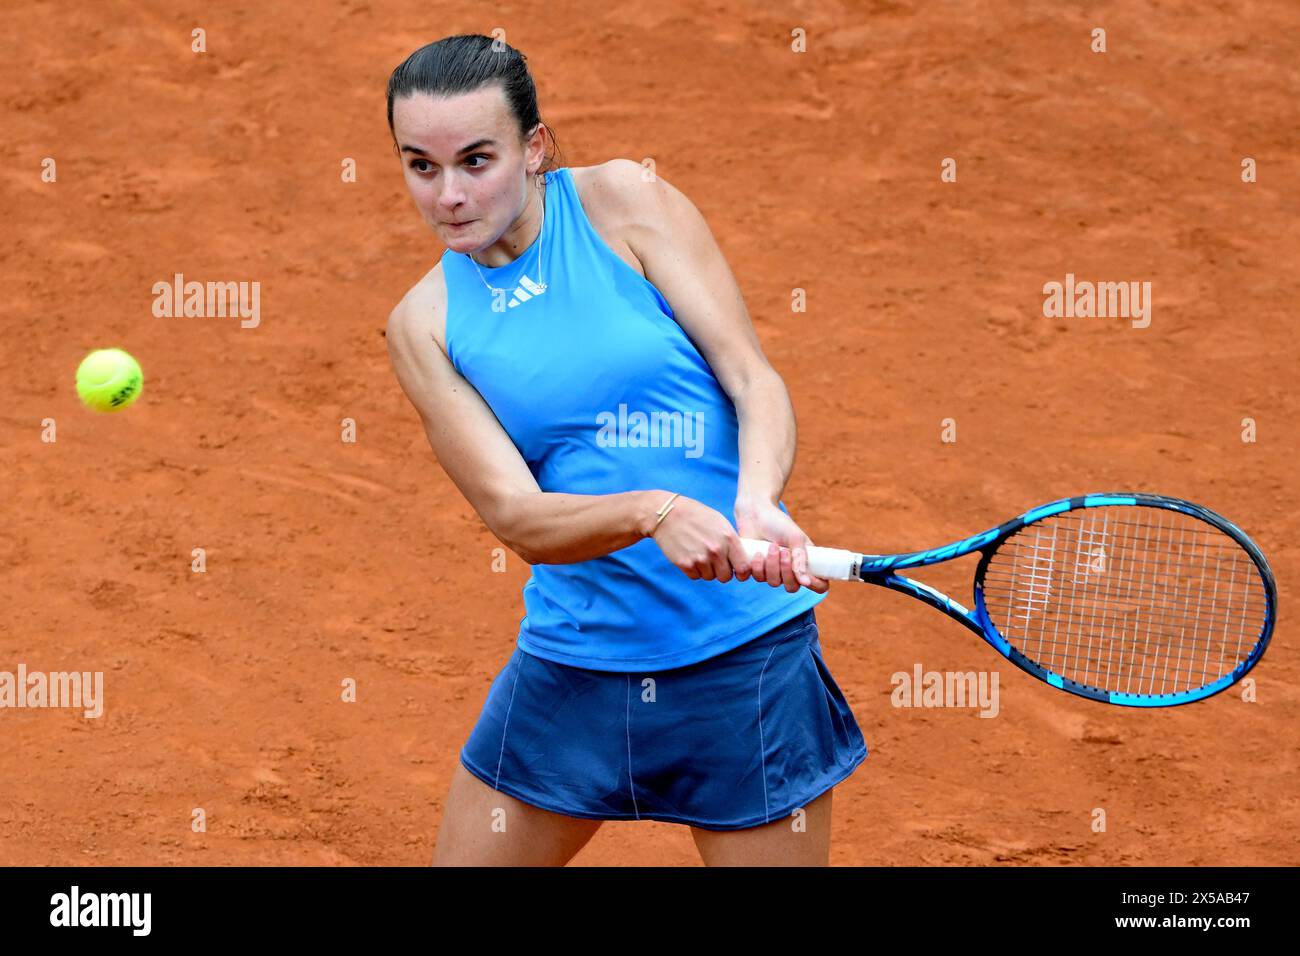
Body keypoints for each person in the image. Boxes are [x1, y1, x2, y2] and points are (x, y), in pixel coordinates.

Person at [384, 34, 866, 866]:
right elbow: (517, 516)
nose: (450, 195)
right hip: (576, 664)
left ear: (534, 148)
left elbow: (752, 379)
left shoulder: (626, 204)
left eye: (476, 159)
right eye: (421, 166)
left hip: (742, 661)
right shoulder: (424, 325)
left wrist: (755, 499)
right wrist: (657, 513)